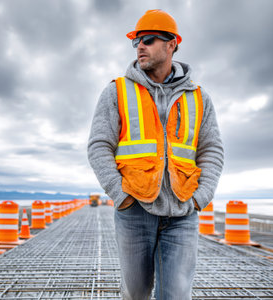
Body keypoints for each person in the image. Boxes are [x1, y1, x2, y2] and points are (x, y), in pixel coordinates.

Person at [87, 9, 224, 300]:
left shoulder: (199, 98)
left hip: (182, 213)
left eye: (148, 39)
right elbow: (99, 145)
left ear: (172, 44)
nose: (140, 46)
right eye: (136, 41)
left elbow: (211, 149)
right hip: (135, 210)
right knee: (136, 294)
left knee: (175, 295)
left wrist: (201, 197)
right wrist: (120, 194)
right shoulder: (117, 91)